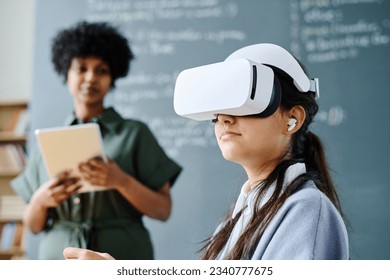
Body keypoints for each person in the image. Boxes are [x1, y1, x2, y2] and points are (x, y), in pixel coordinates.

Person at [62, 43, 349, 260]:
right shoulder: (241, 215)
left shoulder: (306, 211)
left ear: (292, 119)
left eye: (244, 103)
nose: (224, 118)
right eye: (220, 106)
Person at [11, 21, 182, 260]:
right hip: (56, 262)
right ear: (66, 73)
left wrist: (121, 181)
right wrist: (41, 201)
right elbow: (34, 226)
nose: (90, 77)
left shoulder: (135, 134)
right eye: (81, 69)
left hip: (123, 259)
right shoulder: (46, 142)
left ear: (112, 77)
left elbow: (163, 210)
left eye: (101, 70)